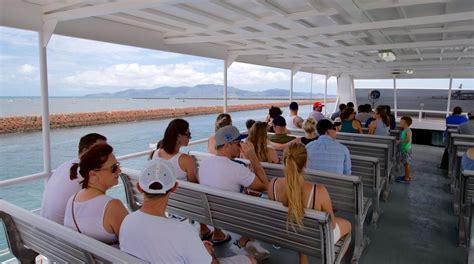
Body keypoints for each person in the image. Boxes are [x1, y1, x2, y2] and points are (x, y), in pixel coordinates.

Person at [119, 159, 256, 264]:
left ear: (139, 187)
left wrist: (196, 248)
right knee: (250, 260)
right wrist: (208, 254)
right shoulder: (183, 231)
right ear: (174, 187)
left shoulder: (126, 222)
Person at [268, 143, 351, 264]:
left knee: (300, 223)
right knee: (348, 225)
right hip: (313, 238)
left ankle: (303, 258)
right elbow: (332, 225)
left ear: (284, 161)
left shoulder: (273, 183)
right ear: (306, 162)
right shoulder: (319, 191)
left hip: (286, 234)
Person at [199, 125, 270, 260]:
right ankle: (241, 242)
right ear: (226, 145)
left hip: (212, 216)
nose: (241, 146)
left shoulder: (204, 163)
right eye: (238, 143)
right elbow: (264, 186)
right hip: (234, 218)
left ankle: (248, 241)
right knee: (265, 203)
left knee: (251, 196)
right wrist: (253, 157)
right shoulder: (236, 168)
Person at [63, 143, 129, 244]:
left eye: (118, 165)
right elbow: (135, 244)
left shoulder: (72, 199)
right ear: (93, 174)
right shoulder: (112, 206)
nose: (119, 171)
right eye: (113, 168)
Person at [41, 133, 107, 224]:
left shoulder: (65, 166)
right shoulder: (87, 173)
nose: (106, 154)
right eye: (101, 151)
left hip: (45, 227)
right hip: (65, 233)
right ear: (85, 151)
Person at [396, 116, 413, 184]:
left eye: (401, 121)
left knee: (407, 164)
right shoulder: (404, 130)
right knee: (405, 164)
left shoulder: (408, 130)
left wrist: (399, 141)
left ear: (406, 123)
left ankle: (407, 178)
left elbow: (408, 139)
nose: (400, 122)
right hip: (404, 149)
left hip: (406, 150)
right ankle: (406, 176)